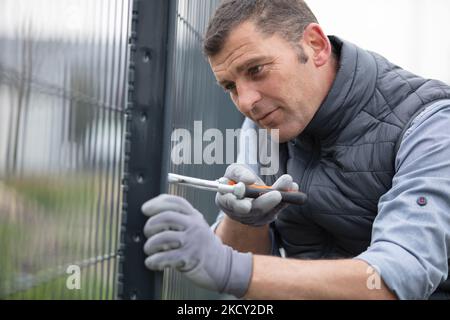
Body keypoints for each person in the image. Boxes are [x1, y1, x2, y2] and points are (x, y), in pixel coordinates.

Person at [141, 0, 450, 299]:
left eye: (256, 69)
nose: (246, 102)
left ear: (315, 46)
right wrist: (243, 221)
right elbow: (251, 269)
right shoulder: (263, 126)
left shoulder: (432, 125)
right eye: (230, 87)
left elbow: (395, 279)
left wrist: (226, 266)